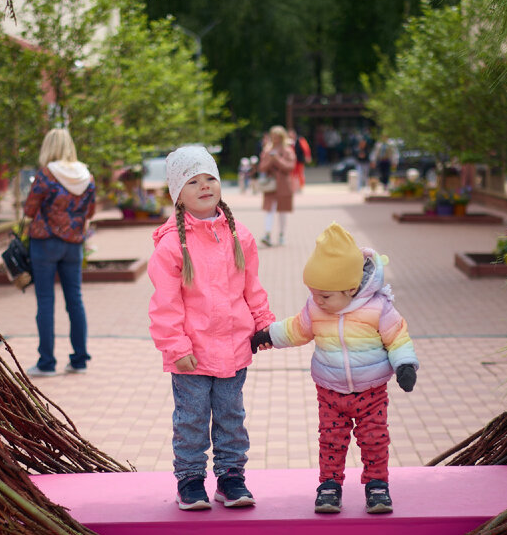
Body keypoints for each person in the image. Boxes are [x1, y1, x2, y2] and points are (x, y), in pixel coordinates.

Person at [251, 223, 418, 514]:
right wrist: (269, 335)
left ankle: (377, 485)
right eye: (314, 293)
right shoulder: (316, 309)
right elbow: (297, 329)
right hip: (329, 392)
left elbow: (397, 336)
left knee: (374, 438)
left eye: (325, 296)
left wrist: (404, 364)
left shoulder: (378, 308)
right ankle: (329, 485)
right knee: (330, 440)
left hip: (371, 391)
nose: (317, 300)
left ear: (351, 288)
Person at [148, 145, 276, 511]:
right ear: (177, 194)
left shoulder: (240, 237)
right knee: (191, 419)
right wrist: (176, 347)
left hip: (235, 347)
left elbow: (252, 287)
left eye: (210, 178)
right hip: (191, 352)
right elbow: (165, 304)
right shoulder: (172, 246)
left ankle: (231, 477)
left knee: (231, 417)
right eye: (193, 181)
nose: (204, 186)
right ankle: (189, 480)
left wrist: (263, 325)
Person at [23, 128, 95, 377]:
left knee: (45, 301)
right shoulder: (86, 175)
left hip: (45, 242)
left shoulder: (46, 174)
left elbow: (30, 209)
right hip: (73, 243)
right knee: (75, 300)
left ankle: (47, 363)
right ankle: (79, 360)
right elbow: (91, 211)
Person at [257, 126, 297, 246]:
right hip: (271, 185)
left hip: (284, 185)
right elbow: (262, 167)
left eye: (277, 137)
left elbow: (290, 166)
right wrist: (270, 160)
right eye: (273, 137)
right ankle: (267, 234)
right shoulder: (267, 150)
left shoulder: (288, 150)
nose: (275, 140)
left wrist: (277, 160)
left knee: (282, 211)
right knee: (270, 210)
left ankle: (282, 234)